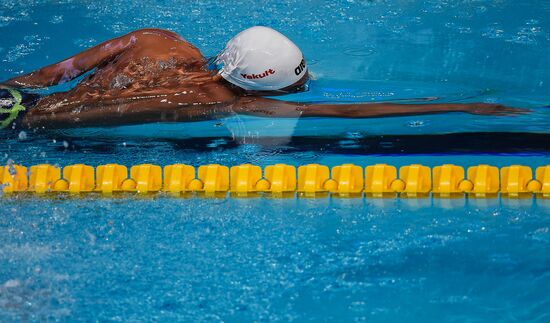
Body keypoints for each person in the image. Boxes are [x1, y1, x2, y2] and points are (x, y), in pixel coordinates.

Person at [0, 26, 523, 130]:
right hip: (31, 125)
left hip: (15, 97)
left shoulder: (154, 40)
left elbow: (48, 74)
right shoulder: (232, 102)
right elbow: (347, 112)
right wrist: (458, 107)